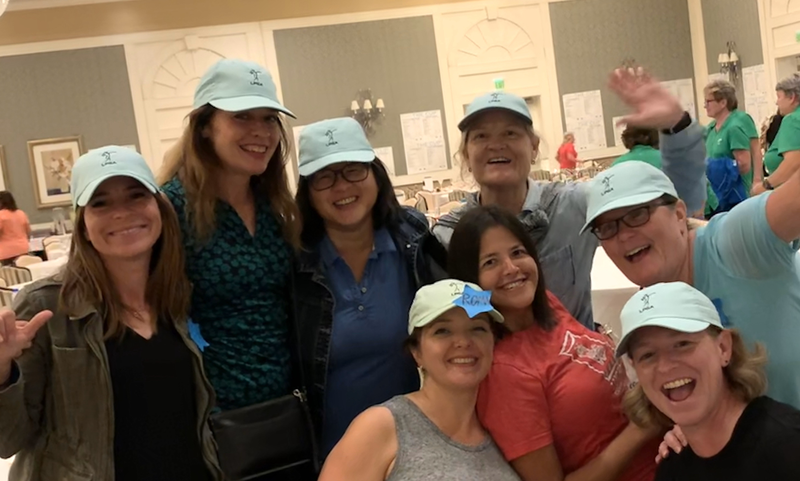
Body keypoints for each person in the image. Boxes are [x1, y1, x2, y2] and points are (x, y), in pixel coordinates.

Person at [0, 146, 223, 481]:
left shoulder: (182, 295)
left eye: (136, 195)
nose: (121, 213)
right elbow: (8, 440)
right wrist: (2, 372)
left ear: (159, 209)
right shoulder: (47, 307)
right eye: (101, 203)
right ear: (83, 226)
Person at [433, 68, 707, 330]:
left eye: (510, 133)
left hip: (577, 358)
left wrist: (677, 127)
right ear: (466, 154)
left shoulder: (573, 205)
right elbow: (452, 312)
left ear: (534, 147)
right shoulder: (449, 235)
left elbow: (671, 196)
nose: (496, 144)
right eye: (481, 136)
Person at [448, 205, 659, 481]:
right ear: (471, 282)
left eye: (517, 252)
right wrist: (643, 428)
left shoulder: (547, 305)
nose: (511, 269)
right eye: (490, 262)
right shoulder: (504, 374)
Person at [582, 159, 800, 408]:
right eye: (607, 228)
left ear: (678, 214)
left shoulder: (734, 243)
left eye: (638, 214)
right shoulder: (651, 306)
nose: (623, 235)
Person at [293, 117, 447, 458]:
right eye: (324, 177)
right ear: (308, 192)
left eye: (353, 170)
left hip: (419, 452)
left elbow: (463, 313)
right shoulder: (295, 266)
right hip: (334, 459)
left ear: (375, 174)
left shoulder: (414, 241)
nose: (341, 186)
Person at [158, 58, 302, 413]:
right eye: (242, 116)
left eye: (269, 118)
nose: (261, 131)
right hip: (210, 413)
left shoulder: (274, 205)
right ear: (205, 127)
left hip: (287, 405)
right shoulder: (171, 209)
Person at [318, 279, 520, 481]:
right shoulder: (382, 426)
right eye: (443, 331)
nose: (463, 342)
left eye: (477, 328)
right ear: (417, 352)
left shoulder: (505, 433)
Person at [617, 281, 800, 480]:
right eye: (647, 355)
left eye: (682, 344)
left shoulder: (789, 445)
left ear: (723, 348)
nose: (665, 367)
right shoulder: (672, 468)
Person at [701, 80, 759, 216]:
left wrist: (757, 181)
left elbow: (745, 163)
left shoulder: (736, 126)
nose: (705, 106)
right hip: (716, 197)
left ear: (723, 103)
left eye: (708, 101)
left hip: (735, 197)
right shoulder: (710, 129)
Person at [754, 73, 800, 195]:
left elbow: (793, 163)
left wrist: (766, 185)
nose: (776, 103)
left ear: (792, 97)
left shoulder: (792, 119)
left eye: (779, 97)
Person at [0, 191, 31, 265]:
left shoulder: (1, 215)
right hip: (23, 249)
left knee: (9, 272)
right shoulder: (21, 213)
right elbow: (28, 232)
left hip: (7, 251)